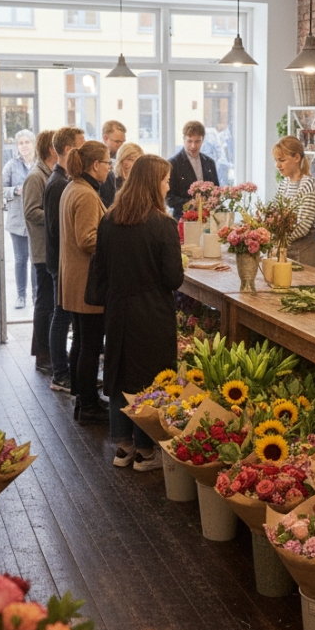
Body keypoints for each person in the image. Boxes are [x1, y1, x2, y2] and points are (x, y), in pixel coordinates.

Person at [91, 154, 184, 471]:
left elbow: (98, 272)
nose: (169, 186)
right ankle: (146, 450)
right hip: (152, 312)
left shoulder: (109, 219)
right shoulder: (163, 224)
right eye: (166, 180)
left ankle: (123, 445)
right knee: (150, 381)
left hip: (118, 308)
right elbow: (173, 278)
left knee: (120, 375)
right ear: (153, 183)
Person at [58, 141, 109, 425]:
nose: (110, 167)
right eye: (107, 162)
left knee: (81, 342)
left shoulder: (73, 187)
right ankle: (88, 404)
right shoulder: (86, 194)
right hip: (87, 281)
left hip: (74, 279)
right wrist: (116, 244)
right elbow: (88, 239)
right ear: (94, 166)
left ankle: (82, 398)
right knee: (89, 346)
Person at [44, 125, 85, 392]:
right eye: (81, 148)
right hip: (63, 261)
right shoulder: (59, 183)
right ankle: (60, 374)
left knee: (63, 316)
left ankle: (65, 370)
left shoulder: (60, 179)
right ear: (69, 150)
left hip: (61, 260)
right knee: (61, 317)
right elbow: (60, 230)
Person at [22, 128, 56, 373]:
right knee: (45, 302)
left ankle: (48, 351)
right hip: (43, 249)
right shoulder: (36, 176)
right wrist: (59, 216)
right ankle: (43, 354)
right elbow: (31, 212)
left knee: (50, 303)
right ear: (52, 149)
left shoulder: (48, 173)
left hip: (51, 248)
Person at [272, 135, 315, 269]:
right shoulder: (284, 184)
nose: (277, 165)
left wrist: (278, 242)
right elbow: (273, 214)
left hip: (306, 255)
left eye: (282, 160)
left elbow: (302, 227)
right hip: (286, 252)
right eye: (276, 160)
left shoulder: (309, 185)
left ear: (296, 158)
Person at [3, 129, 37, 310]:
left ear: (33, 144)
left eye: (27, 142)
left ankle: (36, 295)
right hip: (17, 221)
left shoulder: (40, 165)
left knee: (36, 259)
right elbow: (0, 188)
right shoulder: (11, 165)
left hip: (36, 220)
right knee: (20, 259)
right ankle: (21, 295)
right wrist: (15, 190)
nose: (24, 146)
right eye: (20, 143)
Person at [167, 120, 219, 220]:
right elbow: (169, 198)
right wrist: (192, 203)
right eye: (189, 141)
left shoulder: (210, 163)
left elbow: (216, 191)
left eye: (197, 141)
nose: (193, 146)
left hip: (207, 218)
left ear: (203, 140)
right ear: (183, 140)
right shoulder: (172, 164)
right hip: (182, 219)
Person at [99, 120, 126, 207]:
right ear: (105, 138)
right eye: (117, 142)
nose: (121, 146)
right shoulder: (97, 161)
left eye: (123, 142)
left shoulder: (121, 159)